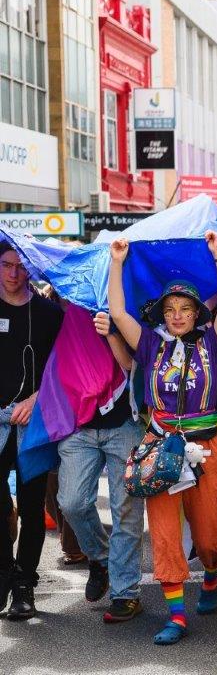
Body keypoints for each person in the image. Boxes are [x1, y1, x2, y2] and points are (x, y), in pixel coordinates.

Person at [107, 231, 217, 645]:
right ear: (162, 314)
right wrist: (116, 262)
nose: (177, 315)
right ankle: (176, 615)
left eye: (185, 309)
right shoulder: (149, 345)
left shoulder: (214, 343)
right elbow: (118, 312)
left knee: (210, 532)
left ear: (197, 313)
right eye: (170, 309)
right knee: (162, 532)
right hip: (160, 446)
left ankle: (211, 573)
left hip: (206, 446)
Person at [54, 309, 147, 624]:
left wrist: (111, 331)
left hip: (124, 424)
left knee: (127, 512)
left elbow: (135, 366)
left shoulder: (127, 302)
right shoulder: (60, 305)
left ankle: (126, 592)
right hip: (78, 425)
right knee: (71, 503)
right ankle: (101, 559)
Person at [0, 242, 63, 620]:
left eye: (21, 267)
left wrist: (37, 398)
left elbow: (61, 366)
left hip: (33, 421)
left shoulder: (48, 313)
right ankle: (4, 574)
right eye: (6, 265)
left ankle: (24, 587)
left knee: (33, 504)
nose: (13, 274)